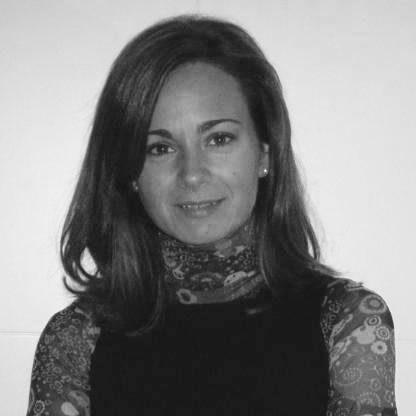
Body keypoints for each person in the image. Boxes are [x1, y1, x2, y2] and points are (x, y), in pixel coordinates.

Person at [27, 15, 397, 416]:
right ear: (130, 173)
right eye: (160, 148)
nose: (191, 174)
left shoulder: (349, 322)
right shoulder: (75, 340)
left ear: (264, 154)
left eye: (218, 139)